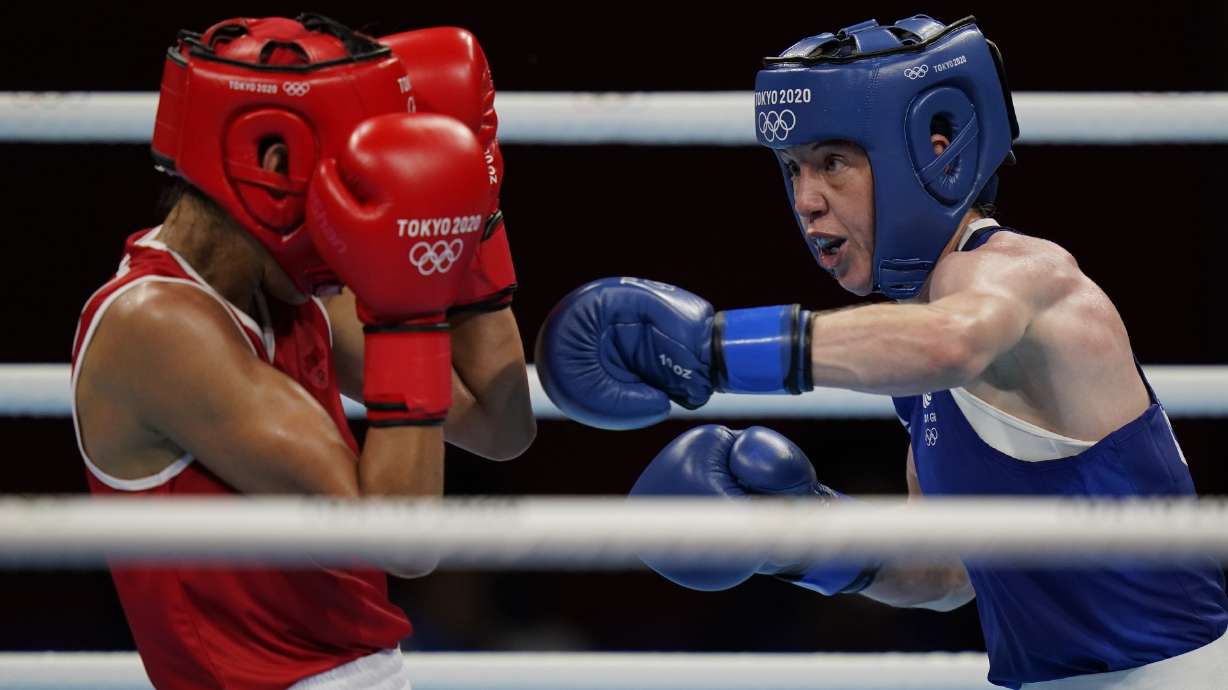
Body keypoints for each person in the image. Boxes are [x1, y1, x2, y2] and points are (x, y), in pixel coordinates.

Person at [534, 14, 1228, 689]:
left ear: (933, 151)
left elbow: (953, 341)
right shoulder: (913, 342)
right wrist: (794, 542)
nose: (806, 201)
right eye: (791, 169)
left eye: (833, 162)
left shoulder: (1022, 274)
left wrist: (712, 349)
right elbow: (950, 570)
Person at [70, 14, 533, 690]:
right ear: (272, 162)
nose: (363, 196)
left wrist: (473, 216)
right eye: (348, 170)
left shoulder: (288, 291)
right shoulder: (158, 325)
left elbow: (500, 426)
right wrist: (410, 309)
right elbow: (404, 541)